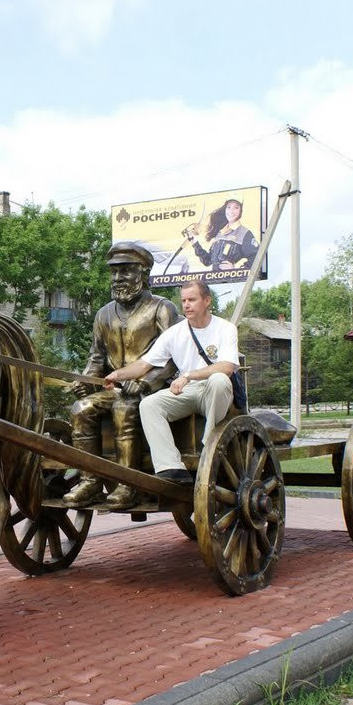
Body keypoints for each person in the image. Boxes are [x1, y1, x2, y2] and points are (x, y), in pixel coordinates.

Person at [63, 242, 180, 510]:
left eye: (126, 271)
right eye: (114, 273)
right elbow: (96, 357)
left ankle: (129, 485)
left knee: (124, 409)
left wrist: (147, 381)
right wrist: (86, 382)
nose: (118, 278)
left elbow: (175, 357)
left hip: (154, 390)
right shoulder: (103, 314)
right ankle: (90, 481)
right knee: (81, 409)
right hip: (115, 387)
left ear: (144, 273)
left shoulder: (162, 308)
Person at [103, 280, 239, 484]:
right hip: (187, 392)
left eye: (192, 300)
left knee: (219, 380)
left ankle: (209, 449)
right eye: (184, 300)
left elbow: (227, 367)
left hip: (216, 391)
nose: (186, 305)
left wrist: (188, 375)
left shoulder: (225, 328)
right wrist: (117, 375)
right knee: (149, 404)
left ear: (207, 300)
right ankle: (171, 467)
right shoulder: (174, 333)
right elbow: (143, 365)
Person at [185, 198, 258, 271]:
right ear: (225, 209)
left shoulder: (244, 233)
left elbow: (257, 256)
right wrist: (195, 243)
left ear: (241, 210)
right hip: (215, 280)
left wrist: (236, 270)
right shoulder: (220, 233)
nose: (231, 211)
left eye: (236, 207)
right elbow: (208, 261)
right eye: (229, 207)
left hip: (231, 281)